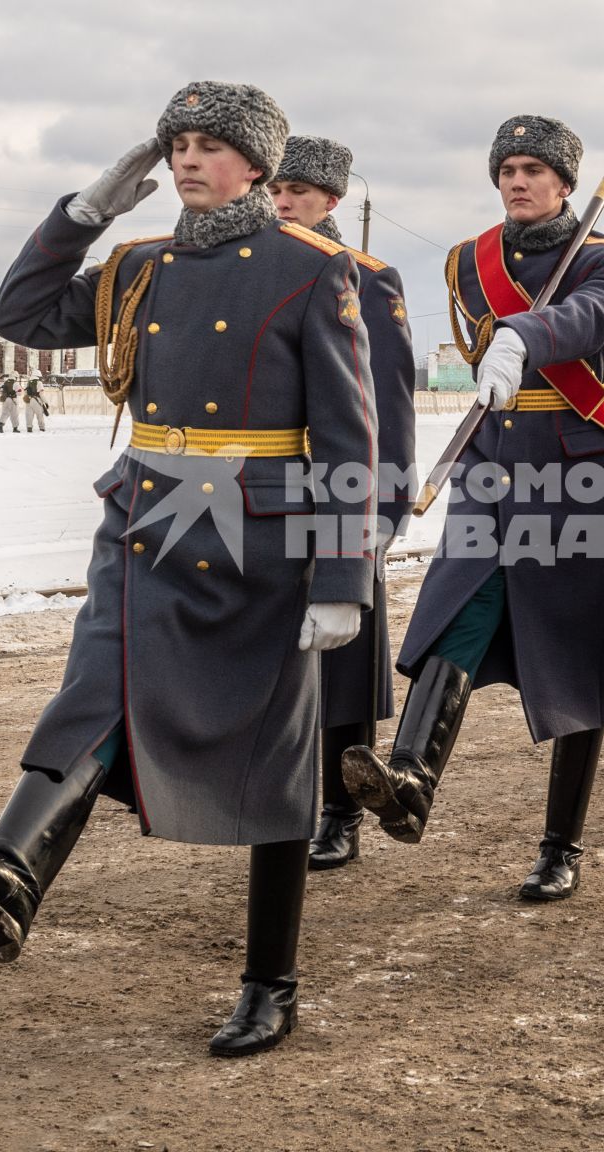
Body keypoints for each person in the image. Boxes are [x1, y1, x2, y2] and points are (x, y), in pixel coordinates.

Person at [0, 81, 378, 1057]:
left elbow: (347, 434)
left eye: (212, 145)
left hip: (263, 525)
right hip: (151, 507)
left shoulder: (311, 271)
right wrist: (84, 213)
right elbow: (24, 312)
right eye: (177, 145)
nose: (187, 160)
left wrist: (341, 578)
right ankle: (8, 875)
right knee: (97, 689)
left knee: (276, 756)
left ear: (258, 165)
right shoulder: (136, 266)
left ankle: (272, 982)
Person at [340, 114, 604, 902]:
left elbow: (591, 321)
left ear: (566, 184)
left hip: (575, 473)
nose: (517, 180)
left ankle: (562, 846)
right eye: (507, 168)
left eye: (533, 169)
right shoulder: (464, 262)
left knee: (580, 665)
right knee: (457, 611)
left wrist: (521, 335)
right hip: (494, 466)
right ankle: (411, 775)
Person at [267, 135, 418, 872]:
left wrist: (381, 513)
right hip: (267, 492)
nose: (283, 202)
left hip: (342, 493)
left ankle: (341, 809)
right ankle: (282, 801)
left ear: (331, 200)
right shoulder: (259, 268)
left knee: (346, 665)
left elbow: (383, 404)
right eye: (275, 190)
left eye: (298, 191)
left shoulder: (367, 277)